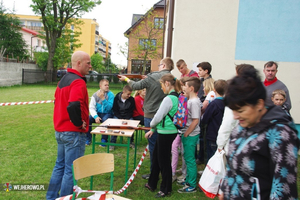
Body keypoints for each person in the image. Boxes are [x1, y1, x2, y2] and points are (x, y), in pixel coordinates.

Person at [219, 69, 299, 200]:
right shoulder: (242, 126)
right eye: (233, 110)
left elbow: (284, 187)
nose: (235, 116)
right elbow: (233, 164)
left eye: (240, 110)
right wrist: (225, 188)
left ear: (259, 104)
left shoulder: (280, 133)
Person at [118, 57, 174, 179]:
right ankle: (164, 173)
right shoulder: (172, 79)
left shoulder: (153, 77)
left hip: (151, 115)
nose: (158, 67)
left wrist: (126, 78)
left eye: (159, 65)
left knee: (153, 146)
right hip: (167, 118)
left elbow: (136, 85)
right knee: (164, 147)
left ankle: (154, 174)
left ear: (163, 66)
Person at [46, 51, 91, 200]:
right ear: (78, 63)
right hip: (72, 133)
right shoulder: (78, 81)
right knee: (70, 170)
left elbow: (57, 101)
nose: (90, 66)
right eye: (88, 63)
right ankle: (65, 198)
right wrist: (79, 123)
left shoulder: (63, 80)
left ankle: (51, 197)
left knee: (60, 166)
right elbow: (73, 105)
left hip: (61, 131)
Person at [144, 74, 181, 198]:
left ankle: (166, 188)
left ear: (166, 83)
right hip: (166, 131)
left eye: (161, 85)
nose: (161, 88)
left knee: (163, 161)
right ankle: (152, 183)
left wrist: (152, 125)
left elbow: (158, 117)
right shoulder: (176, 97)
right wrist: (153, 129)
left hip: (166, 132)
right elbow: (164, 117)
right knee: (156, 157)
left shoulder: (168, 99)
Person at [216, 64, 254, 153]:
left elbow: (228, 123)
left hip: (237, 144)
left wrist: (220, 144)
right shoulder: (256, 95)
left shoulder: (235, 96)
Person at [176, 77, 201, 193]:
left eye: (185, 86)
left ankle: (192, 185)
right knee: (187, 157)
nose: (183, 88)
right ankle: (188, 179)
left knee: (190, 160)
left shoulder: (194, 102)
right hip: (187, 134)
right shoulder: (190, 100)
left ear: (191, 88)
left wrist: (186, 133)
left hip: (190, 135)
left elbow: (195, 120)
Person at [201, 79, 228, 161]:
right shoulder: (227, 103)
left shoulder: (213, 104)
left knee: (211, 157)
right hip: (223, 134)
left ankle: (210, 173)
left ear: (214, 90)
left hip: (212, 135)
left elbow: (205, 118)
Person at [85, 79, 114, 146]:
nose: (107, 86)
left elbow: (109, 108)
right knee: (88, 119)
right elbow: (91, 107)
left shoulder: (111, 95)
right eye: (105, 85)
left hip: (108, 113)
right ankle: (88, 139)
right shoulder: (95, 95)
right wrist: (96, 116)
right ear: (100, 86)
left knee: (105, 120)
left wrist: (103, 99)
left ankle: (104, 140)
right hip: (98, 113)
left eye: (108, 85)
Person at [111, 85, 135, 150]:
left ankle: (131, 142)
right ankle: (112, 143)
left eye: (130, 94)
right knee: (115, 125)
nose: (129, 96)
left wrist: (126, 118)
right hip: (118, 116)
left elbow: (131, 111)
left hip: (127, 116)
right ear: (123, 92)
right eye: (128, 94)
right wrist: (120, 118)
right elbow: (115, 110)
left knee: (131, 125)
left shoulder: (131, 100)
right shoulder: (116, 98)